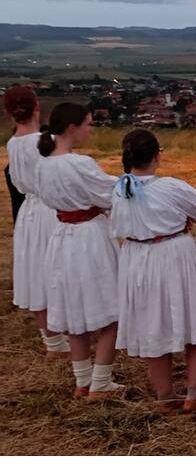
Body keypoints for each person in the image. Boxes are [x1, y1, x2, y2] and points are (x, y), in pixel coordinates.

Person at [110, 130, 196, 412]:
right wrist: (181, 220)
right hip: (174, 255)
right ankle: (193, 393)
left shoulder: (119, 190)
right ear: (156, 156)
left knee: (153, 325)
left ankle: (165, 395)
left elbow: (118, 225)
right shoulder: (171, 187)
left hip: (137, 260)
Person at [35, 102, 124, 398]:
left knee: (75, 312)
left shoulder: (43, 164)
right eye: (88, 124)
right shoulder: (79, 163)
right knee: (113, 310)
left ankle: (83, 380)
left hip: (62, 238)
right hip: (89, 239)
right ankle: (100, 381)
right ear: (72, 127)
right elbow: (110, 193)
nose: (90, 129)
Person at [4, 86, 67, 358]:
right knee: (58, 269)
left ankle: (52, 341)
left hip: (28, 211)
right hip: (50, 209)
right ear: (37, 107)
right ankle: (65, 334)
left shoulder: (12, 143)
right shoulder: (47, 141)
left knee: (36, 271)